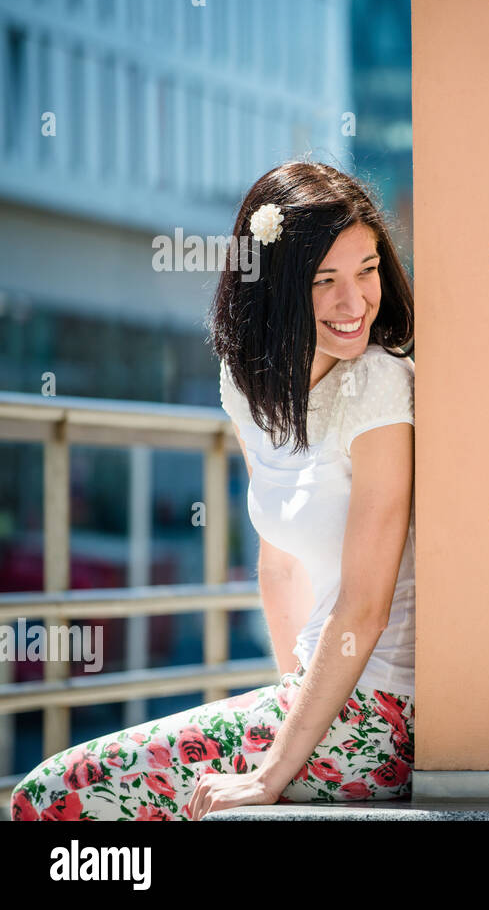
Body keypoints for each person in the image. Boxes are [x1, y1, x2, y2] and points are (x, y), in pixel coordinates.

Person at [10, 161, 417, 821]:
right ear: (279, 287)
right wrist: (290, 706)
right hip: (324, 705)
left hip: (381, 719)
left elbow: (365, 608)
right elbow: (280, 567)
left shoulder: (379, 385)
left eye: (368, 269)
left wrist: (271, 771)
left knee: (54, 795)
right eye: (326, 280)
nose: (357, 300)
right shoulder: (247, 387)